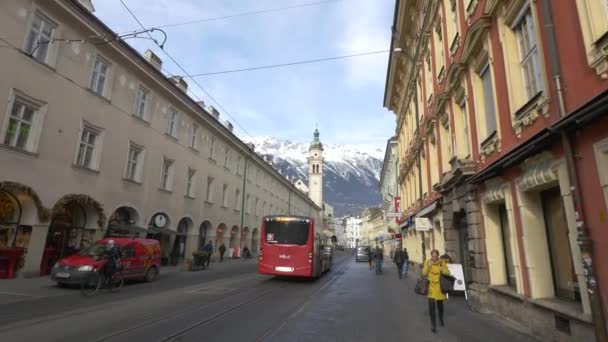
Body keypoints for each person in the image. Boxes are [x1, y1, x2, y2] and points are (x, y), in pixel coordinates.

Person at [423, 249, 451, 333]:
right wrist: (429, 266)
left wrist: (443, 270)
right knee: (431, 307)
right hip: (431, 287)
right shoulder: (427, 262)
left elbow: (449, 273)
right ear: (431, 256)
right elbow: (424, 273)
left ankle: (441, 319)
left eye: (435, 256)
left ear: (438, 256)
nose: (434, 257)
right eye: (432, 256)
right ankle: (433, 325)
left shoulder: (442, 262)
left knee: (440, 306)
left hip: (440, 288)